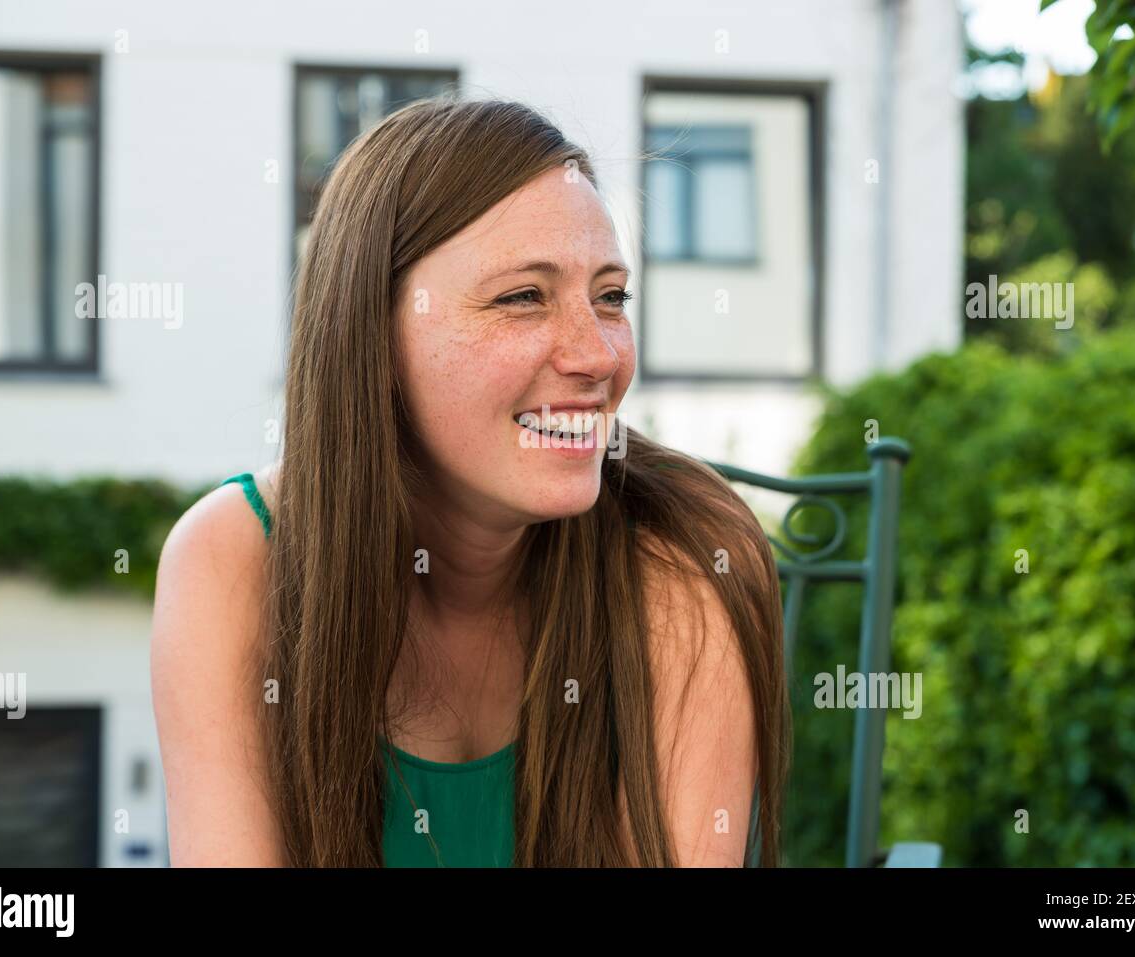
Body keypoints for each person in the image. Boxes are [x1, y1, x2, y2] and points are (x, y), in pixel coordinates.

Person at [151, 94, 789, 867]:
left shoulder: (681, 558)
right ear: (373, 333)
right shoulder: (231, 559)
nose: (597, 356)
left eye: (610, 297)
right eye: (523, 297)